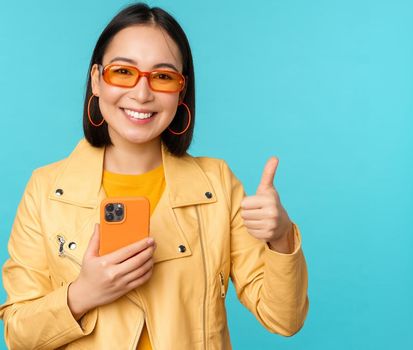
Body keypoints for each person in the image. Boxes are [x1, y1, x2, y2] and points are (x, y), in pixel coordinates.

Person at [0, 3, 309, 349]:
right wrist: (83, 294)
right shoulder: (46, 190)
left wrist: (281, 238)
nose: (142, 93)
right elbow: (18, 334)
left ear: (181, 91)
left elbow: (284, 318)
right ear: (96, 80)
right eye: (123, 72)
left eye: (162, 76)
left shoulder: (217, 184)